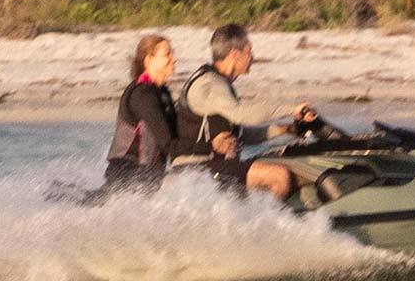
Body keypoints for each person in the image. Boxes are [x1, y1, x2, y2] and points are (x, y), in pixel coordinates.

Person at [179, 22, 320, 203]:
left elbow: (242, 135)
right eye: (249, 52)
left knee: (280, 162)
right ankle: (266, 227)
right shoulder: (209, 84)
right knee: (279, 176)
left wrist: (286, 130)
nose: (252, 57)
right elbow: (241, 114)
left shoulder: (221, 84)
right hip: (195, 170)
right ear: (235, 55)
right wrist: (291, 109)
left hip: (216, 166)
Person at [101, 33, 189, 191]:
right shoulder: (142, 94)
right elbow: (169, 143)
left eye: (172, 53)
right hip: (127, 175)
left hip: (146, 174)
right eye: (167, 54)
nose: (174, 58)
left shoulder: (161, 91)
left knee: (192, 180)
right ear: (149, 60)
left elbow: (179, 134)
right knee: (186, 183)